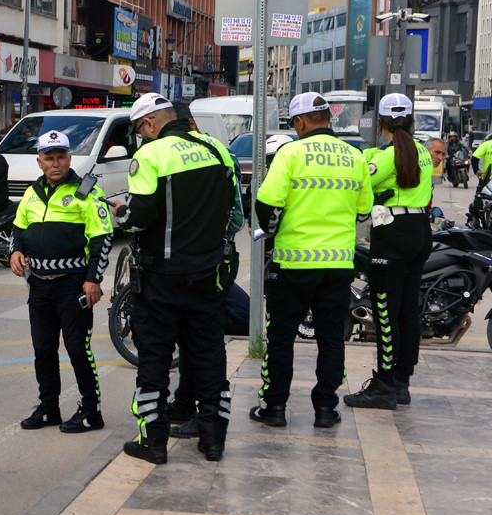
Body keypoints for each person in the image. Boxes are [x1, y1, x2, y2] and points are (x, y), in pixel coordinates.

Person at [113, 93, 234, 465]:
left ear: (149, 123)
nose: (141, 138)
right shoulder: (216, 149)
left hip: (162, 278)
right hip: (208, 275)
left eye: (139, 130)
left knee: (154, 362)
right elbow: (230, 204)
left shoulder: (151, 155)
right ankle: (213, 442)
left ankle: (153, 444)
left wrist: (121, 213)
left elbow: (141, 215)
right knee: (209, 359)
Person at [249, 92, 373, 429]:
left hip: (292, 265)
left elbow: (267, 205)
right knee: (331, 339)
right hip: (337, 267)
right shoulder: (355, 156)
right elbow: (364, 210)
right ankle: (324, 409)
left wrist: (272, 234)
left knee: (281, 338)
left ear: (301, 122)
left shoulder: (290, 153)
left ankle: (274, 408)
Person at [10, 130, 114, 433]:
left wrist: (93, 280)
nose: (55, 163)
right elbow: (19, 228)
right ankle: (49, 407)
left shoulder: (85, 191)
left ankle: (92, 411)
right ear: (40, 161)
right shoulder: (32, 192)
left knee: (78, 349)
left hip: (73, 285)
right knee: (43, 349)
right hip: (39, 285)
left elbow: (102, 239)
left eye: (61, 157)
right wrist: (16, 249)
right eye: (49, 158)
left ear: (70, 159)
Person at [343, 94, 434, 409]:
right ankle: (401, 383)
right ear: (411, 120)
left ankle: (383, 385)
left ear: (380, 123)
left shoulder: (384, 157)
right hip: (421, 232)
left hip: (392, 234)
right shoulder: (422, 152)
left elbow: (358, 180)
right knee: (409, 312)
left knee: (385, 312)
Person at [167, 105, 247, 440]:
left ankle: (204, 414)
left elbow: (235, 218)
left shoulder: (215, 155)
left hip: (209, 266)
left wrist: (206, 243)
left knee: (202, 343)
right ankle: (185, 402)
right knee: (190, 340)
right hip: (205, 263)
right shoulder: (215, 153)